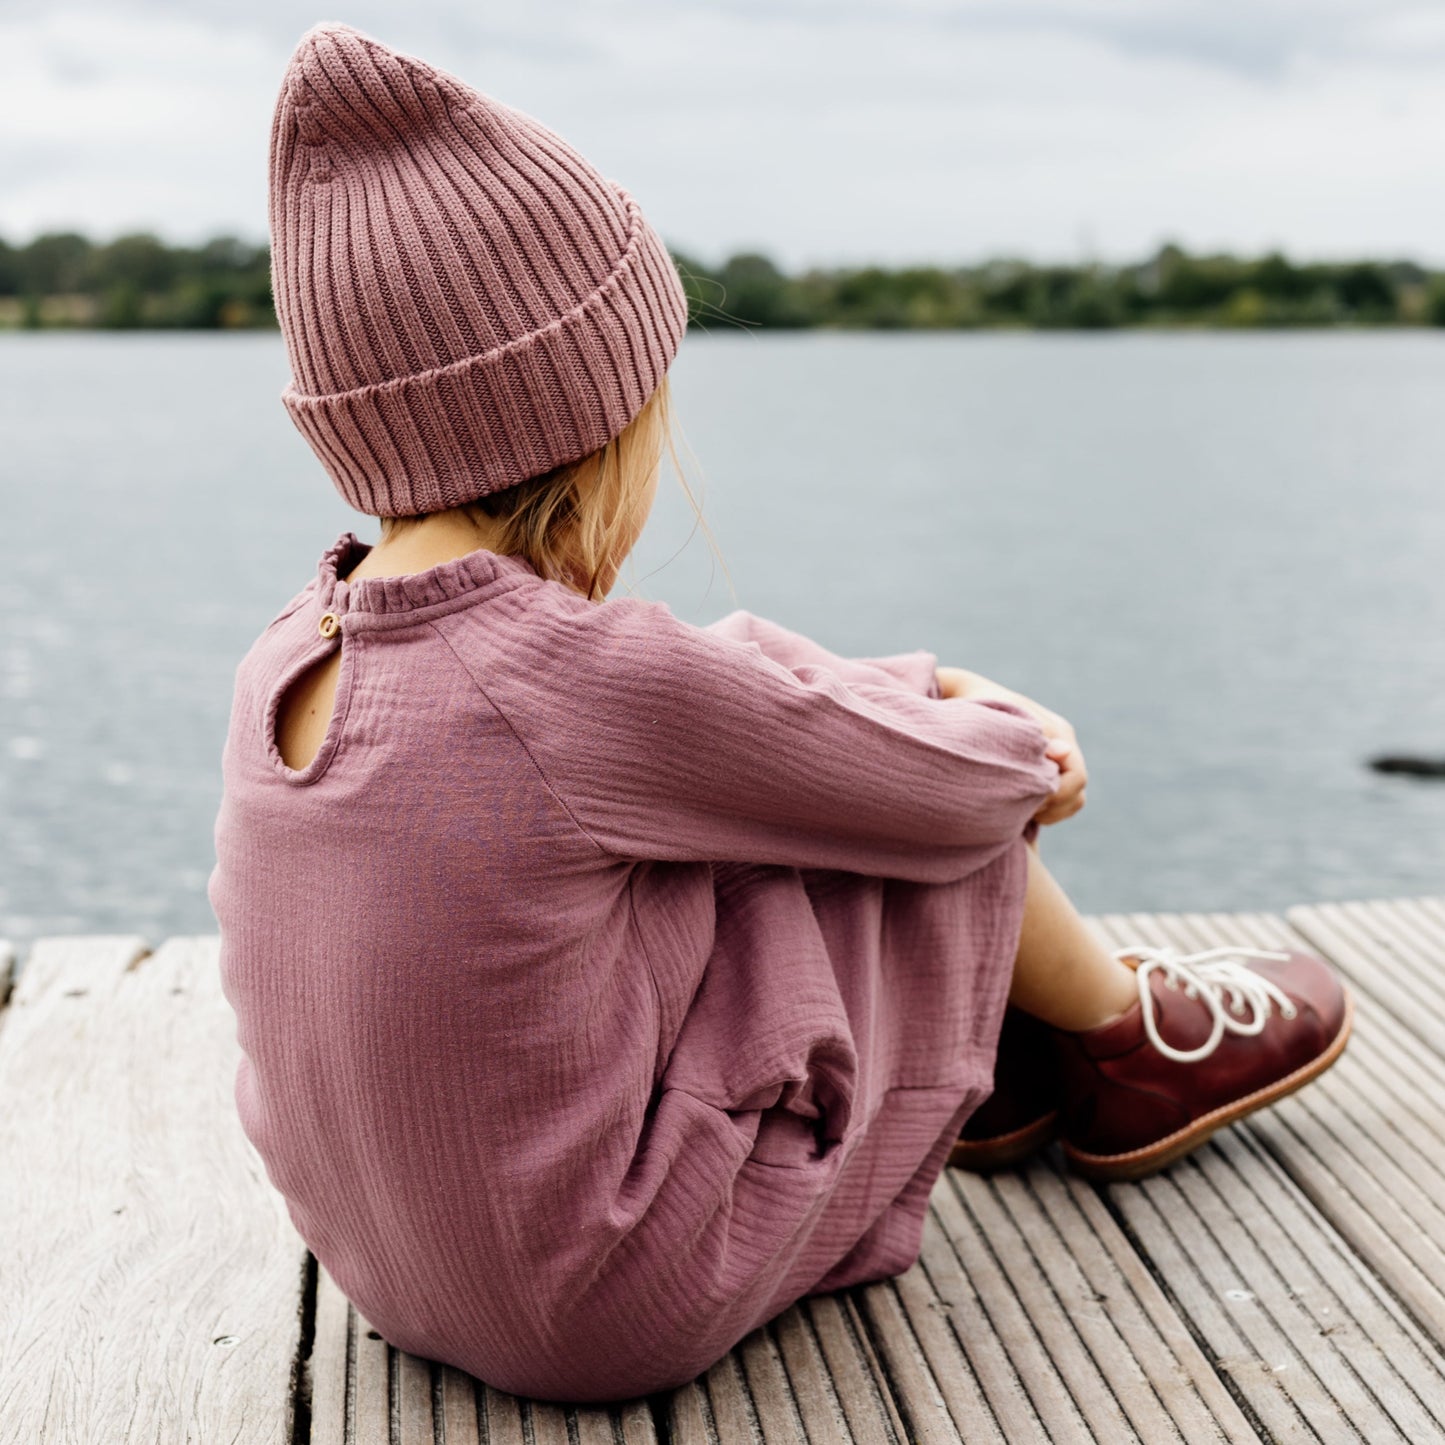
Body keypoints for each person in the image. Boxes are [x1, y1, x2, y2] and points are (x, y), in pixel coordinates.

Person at [210, 21, 1353, 1405]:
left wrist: (886, 692)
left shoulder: (297, 646)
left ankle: (1044, 1056)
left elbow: (703, 700)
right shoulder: (568, 681)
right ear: (598, 414)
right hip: (610, 1293)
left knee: (758, 718)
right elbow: (966, 789)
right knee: (870, 795)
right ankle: (1127, 1041)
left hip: (399, 1272)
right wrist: (990, 722)